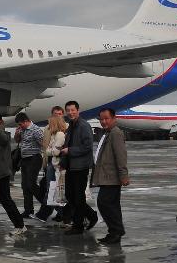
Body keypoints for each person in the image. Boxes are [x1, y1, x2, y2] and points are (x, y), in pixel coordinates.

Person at [90, 108, 130, 245]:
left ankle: (117, 230)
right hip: (106, 176)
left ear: (114, 118)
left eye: (106, 118)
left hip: (112, 177)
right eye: (101, 119)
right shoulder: (108, 133)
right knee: (112, 205)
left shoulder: (116, 133)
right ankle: (114, 232)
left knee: (104, 203)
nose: (103, 121)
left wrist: (123, 175)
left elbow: (121, 155)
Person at [60, 100, 99, 235]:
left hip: (80, 167)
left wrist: (69, 151)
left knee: (78, 197)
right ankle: (91, 215)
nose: (70, 113)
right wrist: (63, 162)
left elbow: (87, 146)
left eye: (73, 110)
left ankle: (78, 226)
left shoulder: (84, 125)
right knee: (70, 196)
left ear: (78, 110)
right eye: (68, 110)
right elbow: (67, 144)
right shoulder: (71, 126)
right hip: (71, 166)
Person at [35, 112, 68, 222]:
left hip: (56, 166)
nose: (49, 126)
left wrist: (49, 151)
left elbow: (54, 151)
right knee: (52, 191)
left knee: (53, 191)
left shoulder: (59, 135)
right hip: (53, 165)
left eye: (50, 123)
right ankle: (59, 214)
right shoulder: (55, 134)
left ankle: (65, 214)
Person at [14, 112, 44, 218]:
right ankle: (28, 210)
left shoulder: (36, 130)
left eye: (21, 124)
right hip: (25, 159)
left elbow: (43, 143)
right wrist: (17, 133)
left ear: (26, 121)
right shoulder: (22, 130)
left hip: (34, 158)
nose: (20, 126)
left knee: (31, 184)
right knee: (25, 185)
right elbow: (17, 141)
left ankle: (46, 203)